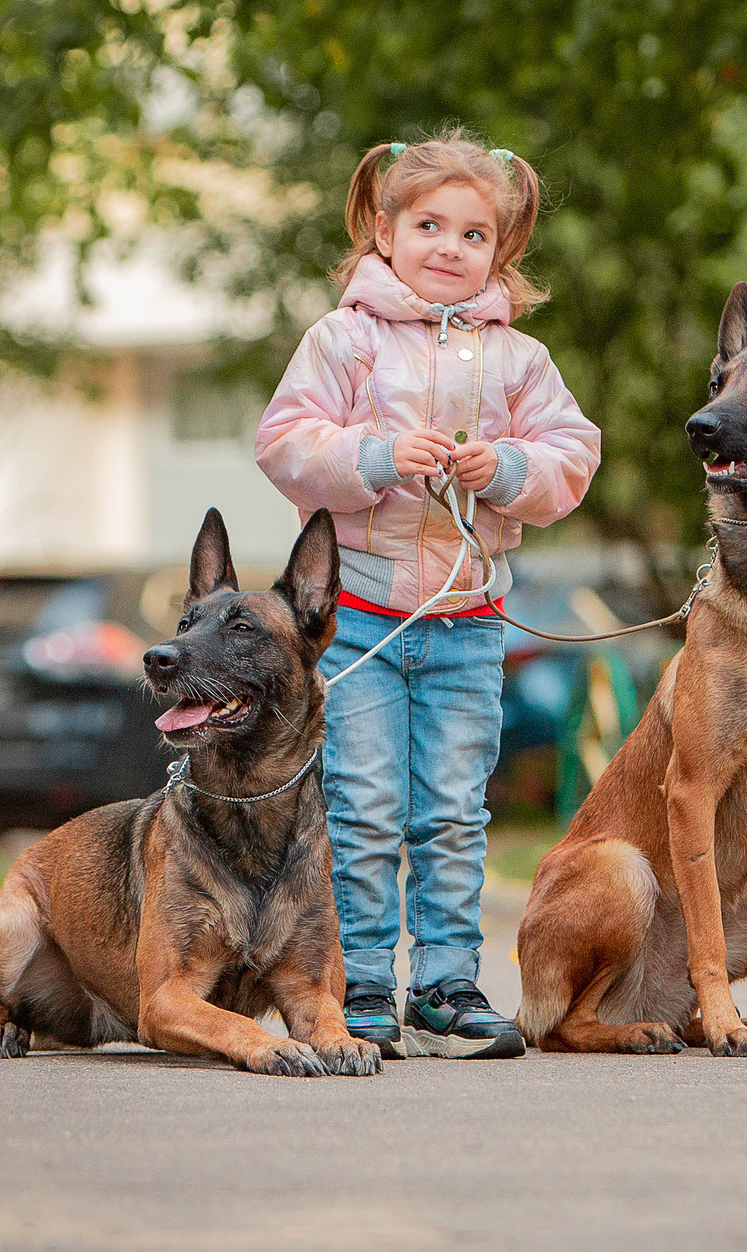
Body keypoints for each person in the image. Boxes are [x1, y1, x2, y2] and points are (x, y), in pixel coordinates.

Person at [254, 131, 600, 1058]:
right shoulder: (344, 338)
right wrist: (370, 456)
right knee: (364, 803)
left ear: (503, 249)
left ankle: (445, 983)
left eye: (473, 234)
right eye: (429, 225)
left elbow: (573, 458)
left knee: (452, 807)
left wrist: (509, 466)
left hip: (468, 623)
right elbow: (284, 440)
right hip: (364, 616)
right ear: (384, 227)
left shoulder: (519, 360)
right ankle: (358, 982)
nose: (449, 247)